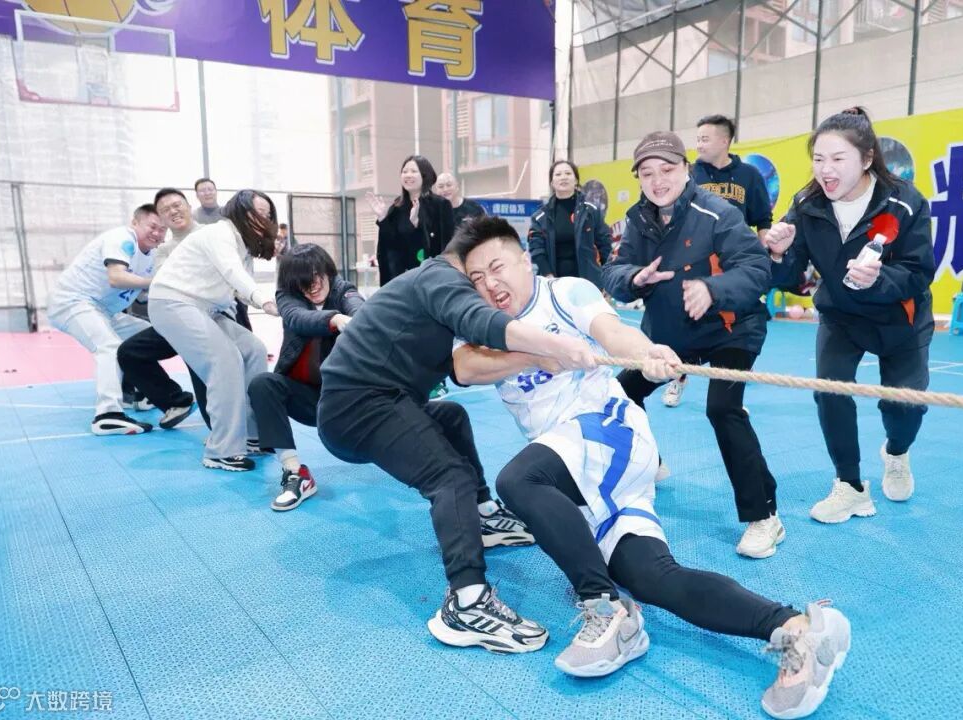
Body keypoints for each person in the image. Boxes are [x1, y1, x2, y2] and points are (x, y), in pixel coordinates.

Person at [450, 217, 851, 719]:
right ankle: (798, 629)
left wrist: (648, 354)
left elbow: (614, 332)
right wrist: (538, 353)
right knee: (650, 576)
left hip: (606, 432)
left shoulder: (564, 293)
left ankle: (605, 609)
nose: (490, 284)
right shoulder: (481, 322)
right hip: (582, 474)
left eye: (497, 267)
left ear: (524, 261)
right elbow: (465, 367)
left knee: (517, 480)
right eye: (477, 277)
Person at [315, 237, 601, 654]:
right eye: (483, 271)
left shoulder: (432, 282)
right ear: (466, 261)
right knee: (449, 477)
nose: (489, 283)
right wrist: (553, 346)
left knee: (451, 417)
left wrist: (535, 356)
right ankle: (467, 603)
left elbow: (462, 369)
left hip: (375, 398)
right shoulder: (443, 276)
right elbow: (482, 322)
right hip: (358, 406)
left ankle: (483, 517)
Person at [601, 130, 783, 560]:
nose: (657, 180)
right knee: (622, 391)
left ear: (686, 169)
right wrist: (634, 278)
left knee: (723, 408)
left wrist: (712, 289)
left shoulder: (717, 212)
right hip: (673, 334)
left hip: (730, 329)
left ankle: (765, 516)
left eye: (667, 169)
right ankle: (652, 462)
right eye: (647, 173)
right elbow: (613, 271)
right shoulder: (638, 219)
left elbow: (756, 268)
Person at [763, 107, 935, 523]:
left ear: (867, 158)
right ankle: (850, 485)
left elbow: (918, 271)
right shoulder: (806, 204)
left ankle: (896, 452)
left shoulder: (905, 202)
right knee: (830, 393)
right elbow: (793, 278)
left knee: (906, 407)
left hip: (900, 319)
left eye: (838, 158)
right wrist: (778, 253)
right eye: (819, 159)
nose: (826, 170)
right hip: (841, 315)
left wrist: (879, 278)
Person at [148, 190, 279, 471]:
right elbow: (233, 273)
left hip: (205, 308)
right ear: (242, 211)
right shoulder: (219, 233)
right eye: (259, 212)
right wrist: (264, 300)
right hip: (172, 301)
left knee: (253, 350)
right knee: (224, 359)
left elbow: (238, 288)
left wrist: (276, 300)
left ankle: (253, 434)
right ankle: (221, 450)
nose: (264, 218)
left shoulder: (243, 245)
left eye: (268, 214)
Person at [663, 115, 776, 408]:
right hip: (693, 262)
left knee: (734, 327)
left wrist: (764, 259)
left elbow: (762, 220)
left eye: (705, 139)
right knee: (685, 322)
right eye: (697, 139)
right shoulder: (690, 174)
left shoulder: (749, 175)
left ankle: (730, 395)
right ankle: (678, 377)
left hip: (734, 266)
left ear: (724, 141)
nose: (699, 144)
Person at [248, 244, 363, 511]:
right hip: (307, 398)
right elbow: (298, 318)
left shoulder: (343, 289)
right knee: (263, 384)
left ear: (327, 271)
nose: (312, 285)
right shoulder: (287, 297)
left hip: (347, 401)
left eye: (317, 276)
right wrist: (335, 319)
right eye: (303, 281)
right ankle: (295, 473)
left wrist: (358, 319)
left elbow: (359, 308)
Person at [47, 205, 165, 435]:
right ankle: (108, 415)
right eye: (152, 226)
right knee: (109, 346)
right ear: (135, 223)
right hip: (73, 302)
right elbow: (116, 277)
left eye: (162, 229)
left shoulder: (151, 256)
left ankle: (139, 393)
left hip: (103, 311)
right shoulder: (122, 238)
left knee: (149, 336)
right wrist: (155, 282)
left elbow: (143, 291)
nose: (157, 233)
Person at [117, 188, 209, 431]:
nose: (173, 211)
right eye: (166, 210)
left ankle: (243, 431)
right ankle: (175, 401)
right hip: (177, 320)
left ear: (189, 206)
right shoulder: (163, 251)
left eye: (177, 205)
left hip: (211, 320)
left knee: (211, 388)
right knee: (129, 353)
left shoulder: (211, 235)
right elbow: (162, 285)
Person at [369, 155, 455, 286]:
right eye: (404, 172)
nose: (408, 175)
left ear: (425, 176)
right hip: (403, 281)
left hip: (432, 280)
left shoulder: (440, 205)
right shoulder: (397, 207)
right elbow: (390, 249)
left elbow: (446, 246)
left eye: (414, 171)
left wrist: (417, 225)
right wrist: (383, 219)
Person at [527, 160, 612, 289]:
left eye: (568, 173)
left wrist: (607, 280)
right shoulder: (540, 217)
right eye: (558, 174)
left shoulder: (591, 212)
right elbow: (537, 250)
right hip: (554, 285)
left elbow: (605, 246)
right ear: (552, 182)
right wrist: (549, 277)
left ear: (576, 180)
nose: (563, 177)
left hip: (589, 285)